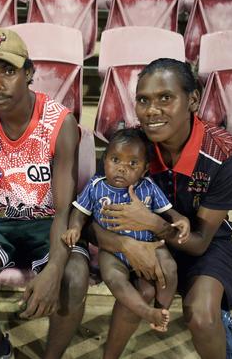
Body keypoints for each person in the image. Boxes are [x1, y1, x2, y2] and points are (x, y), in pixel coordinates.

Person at [92, 58, 232, 359]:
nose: (152, 110)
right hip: (142, 239)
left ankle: (218, 316)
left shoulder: (225, 154)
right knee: (139, 294)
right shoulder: (130, 147)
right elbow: (92, 220)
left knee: (201, 315)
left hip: (207, 244)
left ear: (192, 99)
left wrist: (152, 222)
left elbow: (200, 242)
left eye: (166, 98)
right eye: (143, 100)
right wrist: (125, 242)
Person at [0, 28, 89, 359]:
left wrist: (54, 270)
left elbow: (61, 210)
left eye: (8, 72)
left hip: (48, 222)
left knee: (73, 275)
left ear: (29, 73)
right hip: (2, 220)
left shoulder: (60, 122)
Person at [63, 128, 190, 333]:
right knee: (114, 278)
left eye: (132, 163)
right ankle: (147, 312)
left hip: (150, 245)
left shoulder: (148, 187)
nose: (122, 168)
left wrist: (180, 219)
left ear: (145, 169)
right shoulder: (96, 186)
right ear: (104, 161)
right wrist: (75, 228)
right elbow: (80, 212)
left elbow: (168, 212)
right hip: (112, 251)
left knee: (170, 268)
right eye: (115, 160)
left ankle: (161, 312)